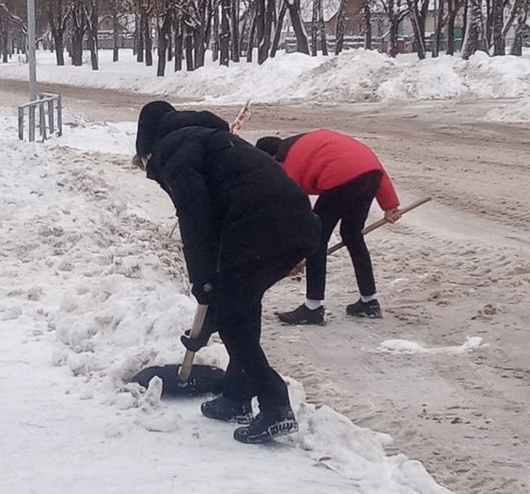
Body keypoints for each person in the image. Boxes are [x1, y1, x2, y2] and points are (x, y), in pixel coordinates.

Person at [133, 101, 321, 444]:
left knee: (235, 315)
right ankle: (237, 394)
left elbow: (195, 217)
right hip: (296, 222)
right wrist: (209, 315)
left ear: (147, 147)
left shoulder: (172, 150)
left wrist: (202, 281)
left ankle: (275, 401)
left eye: (146, 165)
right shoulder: (213, 140)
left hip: (260, 225)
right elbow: (220, 218)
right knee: (241, 304)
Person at [255, 129, 401, 325]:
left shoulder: (285, 162)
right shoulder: (307, 144)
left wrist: (295, 254)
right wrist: (390, 205)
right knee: (352, 234)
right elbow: (371, 165)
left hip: (341, 175)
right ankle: (369, 301)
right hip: (370, 173)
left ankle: (313, 308)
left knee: (316, 238)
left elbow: (293, 208)